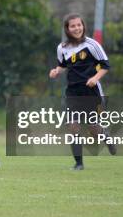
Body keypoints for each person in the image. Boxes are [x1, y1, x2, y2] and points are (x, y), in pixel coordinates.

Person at [49, 13, 115, 170]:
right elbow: (63, 65)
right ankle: (78, 163)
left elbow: (105, 65)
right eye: (73, 26)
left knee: (93, 129)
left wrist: (95, 78)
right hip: (73, 92)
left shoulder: (92, 45)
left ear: (83, 26)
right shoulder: (62, 48)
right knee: (73, 125)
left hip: (91, 92)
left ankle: (105, 136)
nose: (77, 28)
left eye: (79, 25)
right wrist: (56, 71)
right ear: (67, 29)